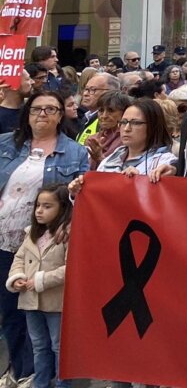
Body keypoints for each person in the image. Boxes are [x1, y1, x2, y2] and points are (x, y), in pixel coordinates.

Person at [0, 92, 87, 387]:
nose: (43, 115)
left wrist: (70, 220)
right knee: (11, 311)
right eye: (37, 109)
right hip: (4, 239)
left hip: (45, 244)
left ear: (61, 115)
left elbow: (83, 195)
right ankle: (21, 370)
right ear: (27, 113)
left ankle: (43, 376)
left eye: (51, 109)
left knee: (45, 318)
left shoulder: (76, 153)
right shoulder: (6, 144)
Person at [5, 185, 70, 388]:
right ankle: (39, 382)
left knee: (59, 346)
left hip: (55, 302)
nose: (39, 211)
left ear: (63, 208)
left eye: (47, 206)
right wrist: (17, 277)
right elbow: (19, 258)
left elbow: (71, 268)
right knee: (39, 345)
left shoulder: (68, 235)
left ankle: (62, 383)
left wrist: (41, 280)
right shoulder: (31, 234)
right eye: (38, 205)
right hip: (30, 301)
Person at [74, 98, 176, 186]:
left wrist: (139, 182)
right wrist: (78, 192)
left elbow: (163, 201)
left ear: (153, 127)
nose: (127, 128)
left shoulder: (165, 162)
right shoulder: (110, 159)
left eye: (135, 123)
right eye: (123, 122)